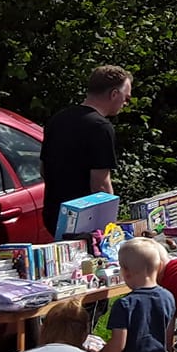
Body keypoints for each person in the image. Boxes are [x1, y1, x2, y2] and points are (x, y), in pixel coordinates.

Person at [39, 65, 133, 235]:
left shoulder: (57, 119)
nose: (125, 104)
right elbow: (101, 185)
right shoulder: (100, 127)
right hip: (84, 221)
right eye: (126, 98)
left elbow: (44, 169)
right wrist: (111, 227)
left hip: (53, 215)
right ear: (114, 94)